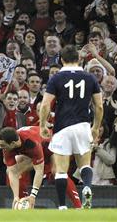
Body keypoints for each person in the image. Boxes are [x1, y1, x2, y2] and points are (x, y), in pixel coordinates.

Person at [39, 45, 103, 209]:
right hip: (83, 126)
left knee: (61, 170)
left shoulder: (56, 78)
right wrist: (95, 127)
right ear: (78, 59)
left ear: (61, 60)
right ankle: (87, 187)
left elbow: (45, 104)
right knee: (85, 165)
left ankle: (62, 206)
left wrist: (42, 124)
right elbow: (99, 106)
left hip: (62, 127)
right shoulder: (90, 78)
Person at [0, 126, 45, 209]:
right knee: (12, 169)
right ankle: (21, 200)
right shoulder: (8, 147)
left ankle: (73, 206)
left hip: (48, 145)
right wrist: (15, 196)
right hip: (30, 152)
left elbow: (39, 170)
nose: (0, 148)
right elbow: (12, 171)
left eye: (2, 145)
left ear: (12, 143)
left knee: (55, 170)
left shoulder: (31, 143)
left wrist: (33, 195)